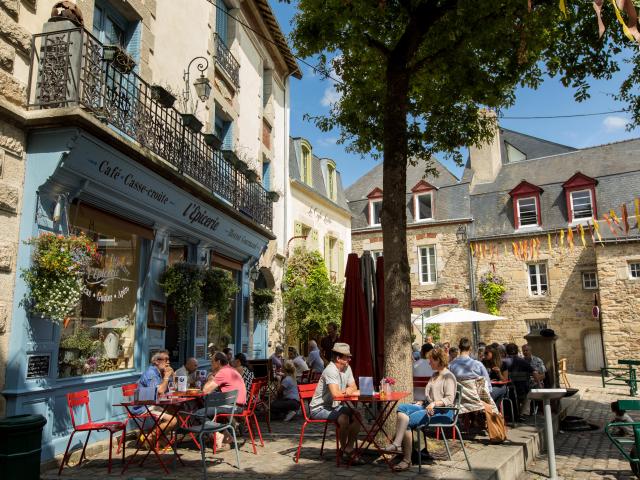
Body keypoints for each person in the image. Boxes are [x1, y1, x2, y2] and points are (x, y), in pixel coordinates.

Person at [384, 348, 457, 471]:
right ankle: (397, 443)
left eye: (431, 360)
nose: (429, 363)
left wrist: (434, 403)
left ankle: (406, 460)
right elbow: (431, 396)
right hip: (429, 407)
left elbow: (449, 400)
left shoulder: (448, 377)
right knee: (402, 407)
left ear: (439, 360)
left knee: (407, 421)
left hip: (443, 412)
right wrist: (423, 402)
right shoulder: (435, 375)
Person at [309, 342, 365, 465]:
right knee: (344, 418)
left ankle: (348, 448)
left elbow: (354, 387)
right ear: (338, 358)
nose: (349, 359)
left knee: (357, 416)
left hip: (333, 406)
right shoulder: (330, 370)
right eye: (347, 357)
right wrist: (347, 391)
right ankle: (345, 450)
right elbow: (336, 394)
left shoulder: (347, 368)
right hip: (319, 408)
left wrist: (346, 390)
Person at [136, 350, 176, 444]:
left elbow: (174, 387)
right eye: (165, 359)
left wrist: (173, 375)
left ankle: (159, 437)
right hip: (144, 407)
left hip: (154, 404)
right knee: (172, 420)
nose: (168, 362)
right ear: (156, 361)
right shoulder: (151, 373)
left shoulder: (159, 372)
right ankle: (148, 437)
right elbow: (160, 392)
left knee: (176, 411)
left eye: (168, 359)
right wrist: (166, 377)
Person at [448, 338, 496, 416]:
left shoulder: (451, 365)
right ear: (470, 348)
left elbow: (449, 383)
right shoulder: (478, 364)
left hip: (460, 400)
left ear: (459, 347)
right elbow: (488, 384)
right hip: (477, 400)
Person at [503, 343, 540, 418]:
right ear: (517, 351)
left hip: (507, 391)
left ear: (506, 351)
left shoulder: (503, 362)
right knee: (530, 391)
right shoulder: (523, 361)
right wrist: (539, 383)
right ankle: (522, 412)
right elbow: (534, 373)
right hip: (522, 390)